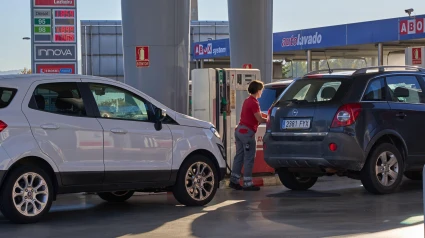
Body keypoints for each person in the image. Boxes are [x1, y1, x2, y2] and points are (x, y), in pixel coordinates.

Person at [229, 80, 268, 191]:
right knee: (249, 157)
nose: (262, 92)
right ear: (258, 90)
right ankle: (247, 183)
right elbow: (259, 118)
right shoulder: (254, 102)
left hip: (240, 130)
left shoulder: (248, 100)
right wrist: (270, 120)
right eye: (261, 90)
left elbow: (257, 114)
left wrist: (267, 115)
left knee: (239, 156)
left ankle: (234, 180)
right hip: (247, 133)